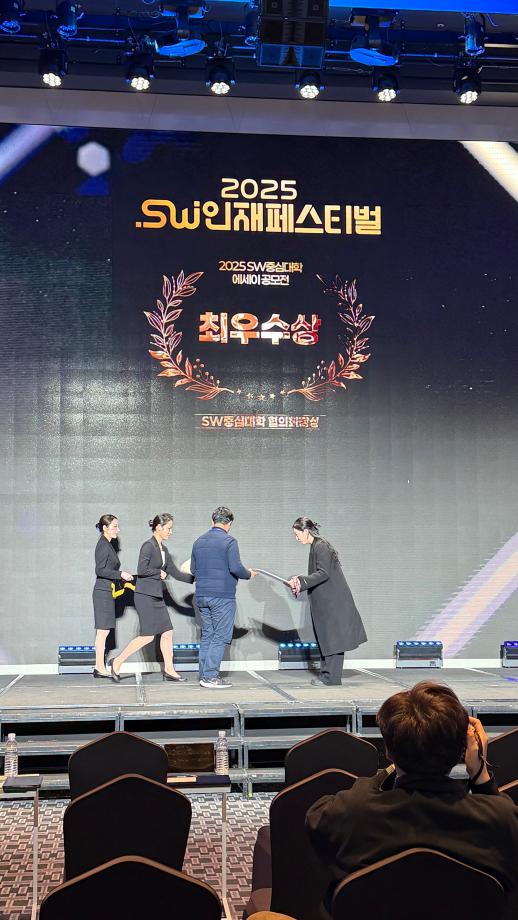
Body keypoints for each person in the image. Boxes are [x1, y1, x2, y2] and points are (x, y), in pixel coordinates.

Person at [306, 681, 518, 918]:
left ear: (388, 751)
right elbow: (506, 831)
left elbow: (316, 820)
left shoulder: (353, 812)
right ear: (464, 750)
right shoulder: (499, 819)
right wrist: (480, 774)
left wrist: (383, 774)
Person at [109, 513, 193, 682]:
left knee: (167, 632)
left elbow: (175, 572)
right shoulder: (148, 546)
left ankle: (169, 670)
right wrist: (158, 572)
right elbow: (142, 570)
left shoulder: (164, 550)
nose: (171, 532)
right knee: (148, 636)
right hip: (145, 596)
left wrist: (196, 579)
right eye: (169, 528)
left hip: (157, 597)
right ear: (159, 527)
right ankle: (117, 661)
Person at [288, 517, 366, 687]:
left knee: (333, 639)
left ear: (305, 531)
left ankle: (331, 678)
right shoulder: (316, 546)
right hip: (329, 602)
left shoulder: (321, 546)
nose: (296, 538)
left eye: (297, 534)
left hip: (333, 602)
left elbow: (323, 573)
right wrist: (301, 580)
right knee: (328, 638)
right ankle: (327, 675)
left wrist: (302, 581)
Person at [191, 506, 256, 689]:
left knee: (208, 635)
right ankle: (211, 677)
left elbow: (193, 570)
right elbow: (236, 568)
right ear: (229, 524)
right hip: (222, 596)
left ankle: (204, 675)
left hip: (201, 595)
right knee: (220, 636)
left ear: (212, 521)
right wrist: (249, 574)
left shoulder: (198, 541)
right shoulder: (229, 541)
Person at [92, 514, 133, 678]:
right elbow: (100, 570)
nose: (118, 529)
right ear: (105, 528)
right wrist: (120, 574)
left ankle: (99, 667)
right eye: (115, 526)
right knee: (102, 631)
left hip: (107, 591)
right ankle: (99, 667)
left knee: (104, 631)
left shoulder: (107, 544)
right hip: (102, 592)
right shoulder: (103, 545)